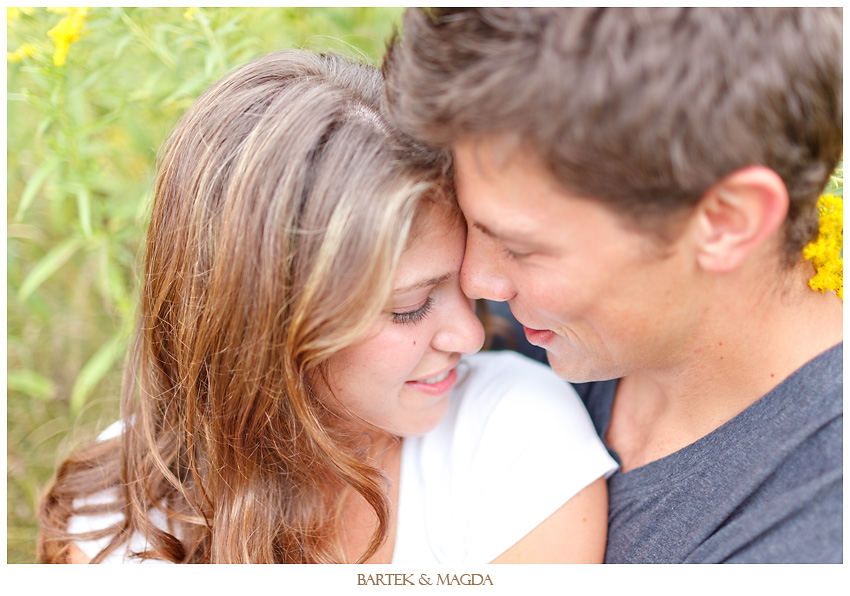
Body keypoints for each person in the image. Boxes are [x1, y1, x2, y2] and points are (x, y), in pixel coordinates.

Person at [36, 50, 616, 564]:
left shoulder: (512, 436)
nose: (469, 335)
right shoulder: (118, 519)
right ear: (262, 331)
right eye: (410, 308)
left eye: (459, 285)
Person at [383, 7, 843, 563]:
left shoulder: (811, 536)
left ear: (726, 221)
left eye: (522, 247)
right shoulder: (549, 319)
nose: (475, 284)